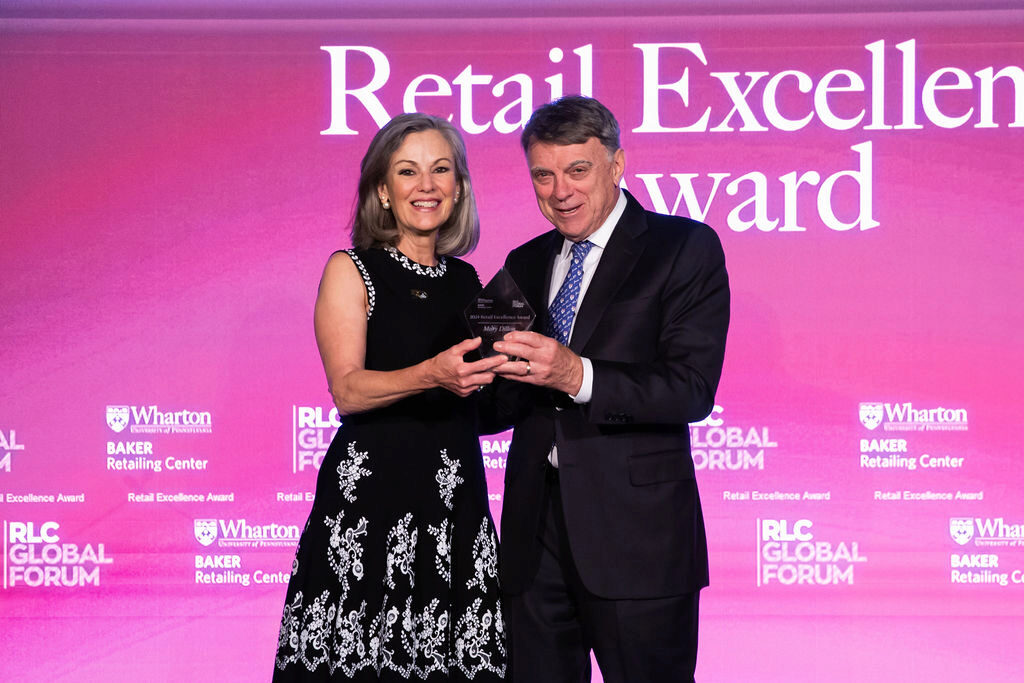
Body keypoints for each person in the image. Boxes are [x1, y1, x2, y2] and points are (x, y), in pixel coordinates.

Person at [489, 96, 730, 682]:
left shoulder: (683, 248)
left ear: (616, 166)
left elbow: (691, 388)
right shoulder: (524, 260)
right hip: (534, 534)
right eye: (542, 175)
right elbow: (494, 404)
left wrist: (579, 375)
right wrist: (447, 375)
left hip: (637, 540)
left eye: (578, 170)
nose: (560, 191)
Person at [274, 113, 508, 681]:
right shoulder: (351, 270)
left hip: (454, 502)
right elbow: (348, 390)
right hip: (371, 503)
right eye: (408, 171)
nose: (425, 186)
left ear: (458, 189)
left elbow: (477, 401)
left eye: (440, 171)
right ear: (383, 188)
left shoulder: (470, 282)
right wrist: (431, 373)